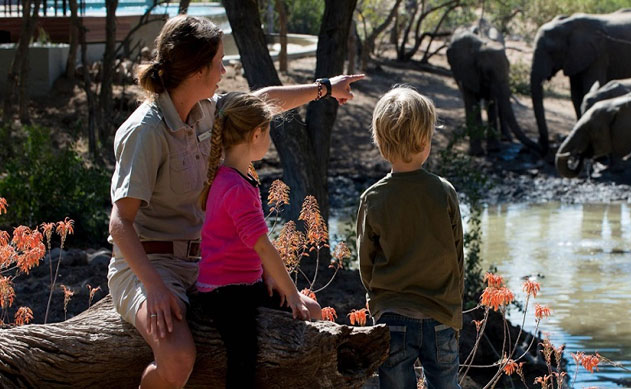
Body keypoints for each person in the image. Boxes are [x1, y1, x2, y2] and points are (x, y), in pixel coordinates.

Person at [107, 14, 363, 388]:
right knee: (178, 358)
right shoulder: (145, 131)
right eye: (218, 62)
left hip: (204, 264)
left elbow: (261, 102)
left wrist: (325, 88)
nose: (224, 70)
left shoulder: (205, 110)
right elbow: (120, 224)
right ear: (196, 71)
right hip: (151, 265)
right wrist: (156, 289)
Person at [194, 92, 321, 387]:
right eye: (268, 133)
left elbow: (247, 243)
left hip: (245, 284)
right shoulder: (235, 186)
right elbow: (263, 245)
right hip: (226, 292)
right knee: (244, 356)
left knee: (313, 310)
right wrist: (290, 292)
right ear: (256, 134)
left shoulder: (234, 176)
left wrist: (268, 277)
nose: (269, 141)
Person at [356, 86, 465, 389]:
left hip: (392, 316)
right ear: (424, 142)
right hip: (440, 314)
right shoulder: (443, 192)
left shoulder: (373, 198)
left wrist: (376, 302)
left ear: (380, 143)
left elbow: (366, 262)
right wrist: (455, 311)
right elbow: (457, 257)